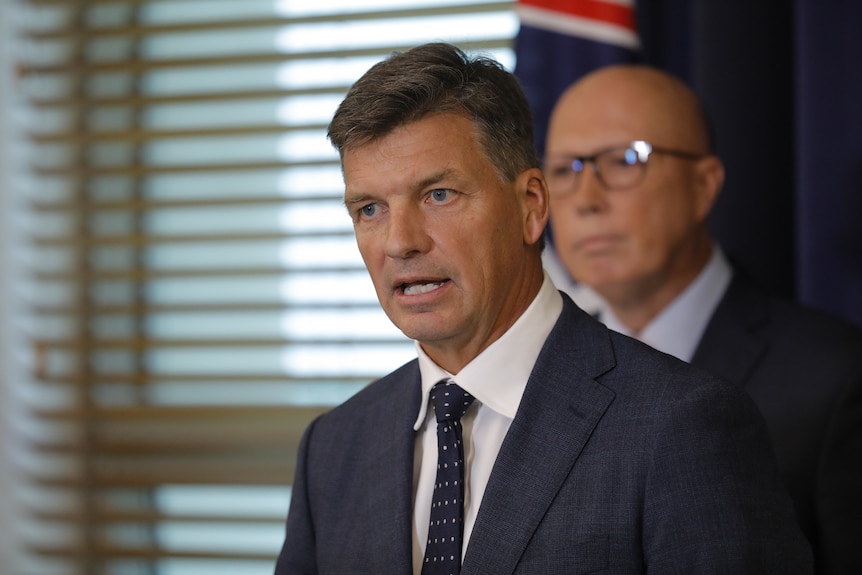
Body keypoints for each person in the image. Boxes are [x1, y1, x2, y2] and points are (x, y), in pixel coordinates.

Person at [275, 43, 812, 575]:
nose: (400, 242)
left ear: (531, 206)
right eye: (369, 209)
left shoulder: (683, 427)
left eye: (438, 195)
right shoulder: (334, 447)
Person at [544, 63, 862, 575]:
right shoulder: (540, 376)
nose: (586, 200)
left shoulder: (834, 378)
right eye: (564, 170)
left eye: (625, 160)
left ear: (704, 185)